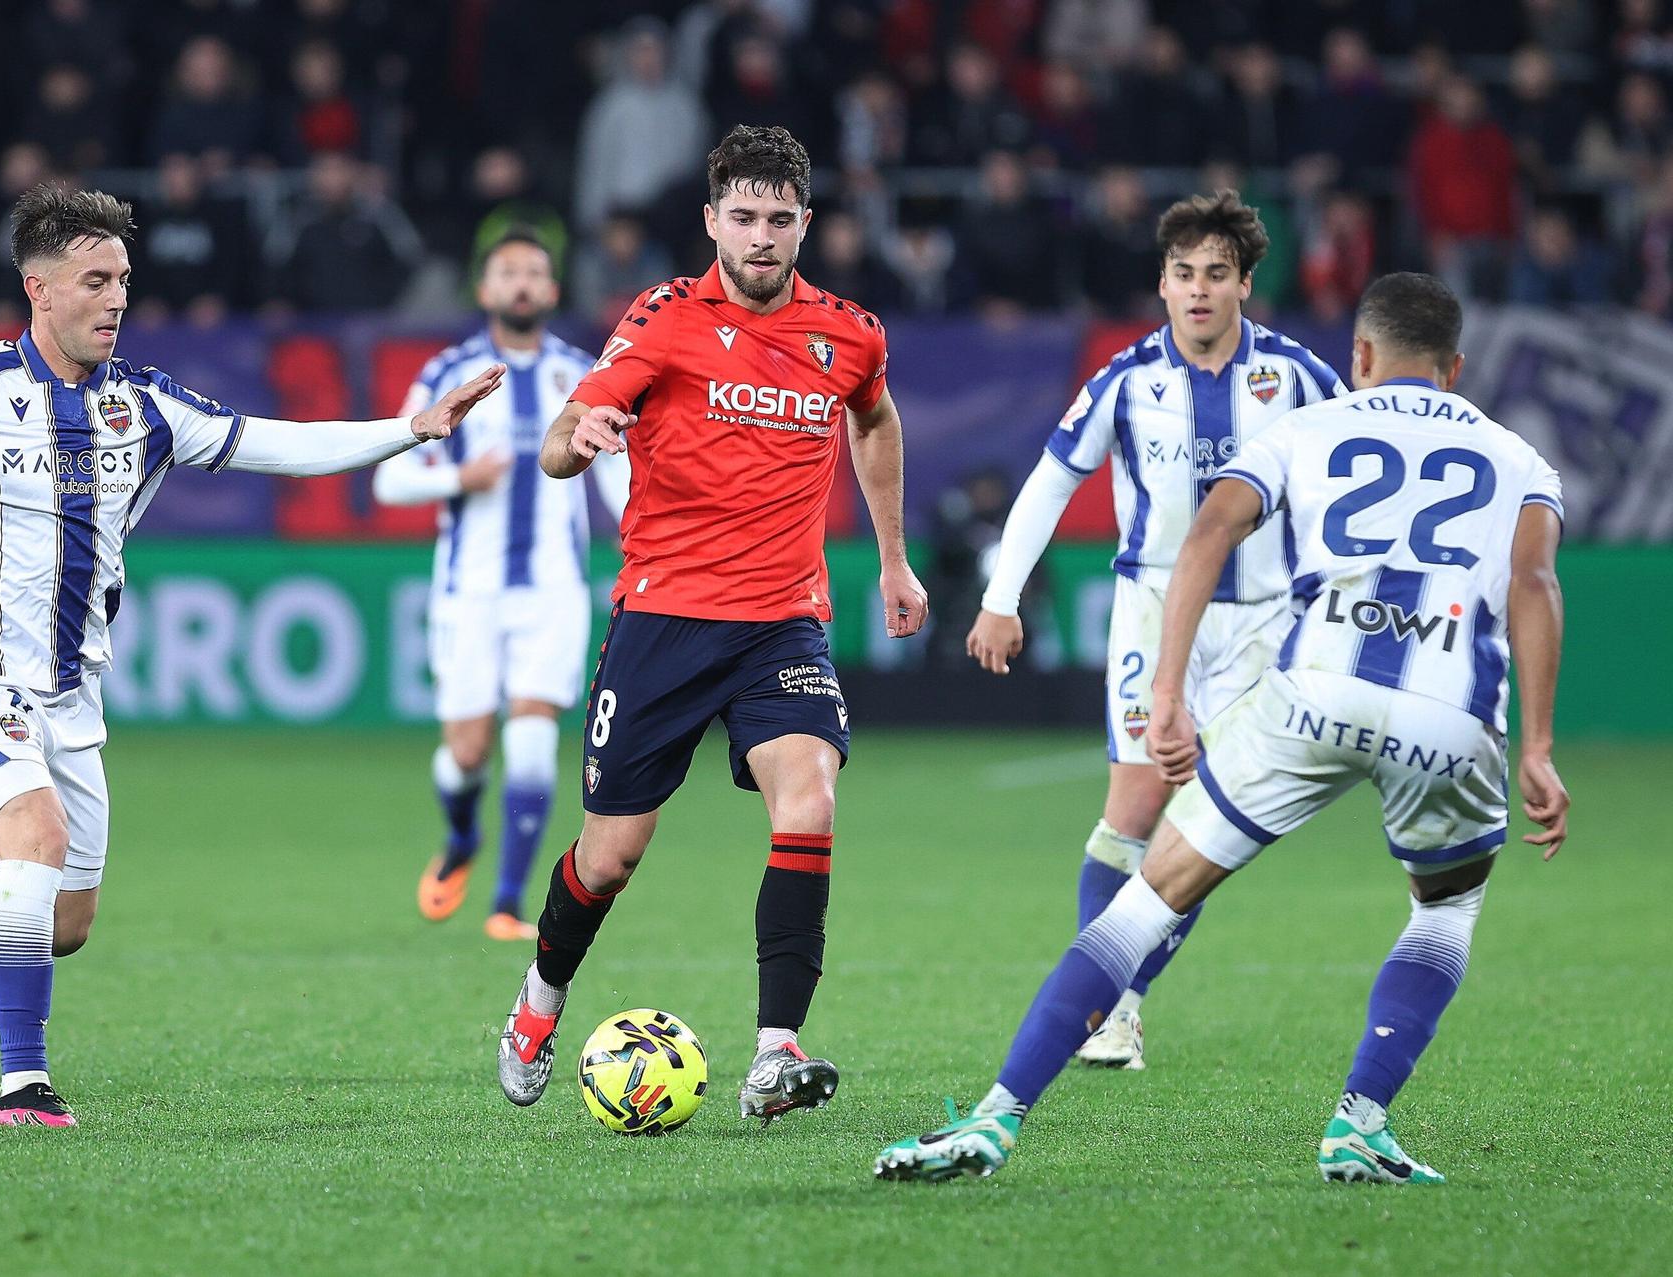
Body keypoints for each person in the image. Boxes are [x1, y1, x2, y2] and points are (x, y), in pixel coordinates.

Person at [0, 184, 501, 1128]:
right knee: (35, 841)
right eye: (95, 280)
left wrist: (408, 429)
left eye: (124, 278)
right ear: (38, 289)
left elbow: (280, 445)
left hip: (71, 695)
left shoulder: (147, 404)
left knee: (67, 923)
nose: (117, 298)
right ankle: (23, 1086)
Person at [877, 272, 1569, 1185]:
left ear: (1359, 356)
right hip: (1451, 713)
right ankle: (1360, 1122)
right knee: (1445, 909)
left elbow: (1208, 533)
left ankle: (997, 1118)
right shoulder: (1520, 458)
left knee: (1144, 898)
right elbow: (1533, 587)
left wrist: (1168, 689)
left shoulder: (1307, 427)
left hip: (1312, 696)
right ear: (1456, 367)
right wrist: (1538, 747)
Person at [494, 125, 928, 1122]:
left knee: (809, 796)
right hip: (660, 621)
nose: (762, 236)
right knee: (608, 857)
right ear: (710, 221)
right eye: (743, 217)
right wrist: (583, 435)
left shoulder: (848, 333)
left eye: (780, 218)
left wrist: (894, 557)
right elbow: (565, 439)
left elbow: (875, 417)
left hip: (781, 625)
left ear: (804, 223)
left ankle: (775, 1050)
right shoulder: (660, 319)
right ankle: (541, 995)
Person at [964, 192, 1344, 1070]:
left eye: (1217, 274)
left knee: (1207, 819)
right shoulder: (1128, 379)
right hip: (1150, 611)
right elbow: (1052, 482)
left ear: (1247, 283)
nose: (1199, 290)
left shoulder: (1298, 378)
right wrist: (1001, 595)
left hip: (1261, 623)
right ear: (1162, 285)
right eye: (1183, 274)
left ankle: (1120, 998)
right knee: (1134, 805)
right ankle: (1115, 1007)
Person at [372, 231, 629, 942]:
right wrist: (460, 476)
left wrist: (641, 529)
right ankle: (461, 840)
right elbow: (389, 475)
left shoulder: (582, 375)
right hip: (469, 591)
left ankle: (508, 904)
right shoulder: (449, 372)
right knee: (466, 753)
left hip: (553, 588)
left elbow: (616, 470)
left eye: (535, 273)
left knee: (532, 738)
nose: (522, 283)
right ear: (484, 291)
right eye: (508, 272)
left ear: (551, 292)